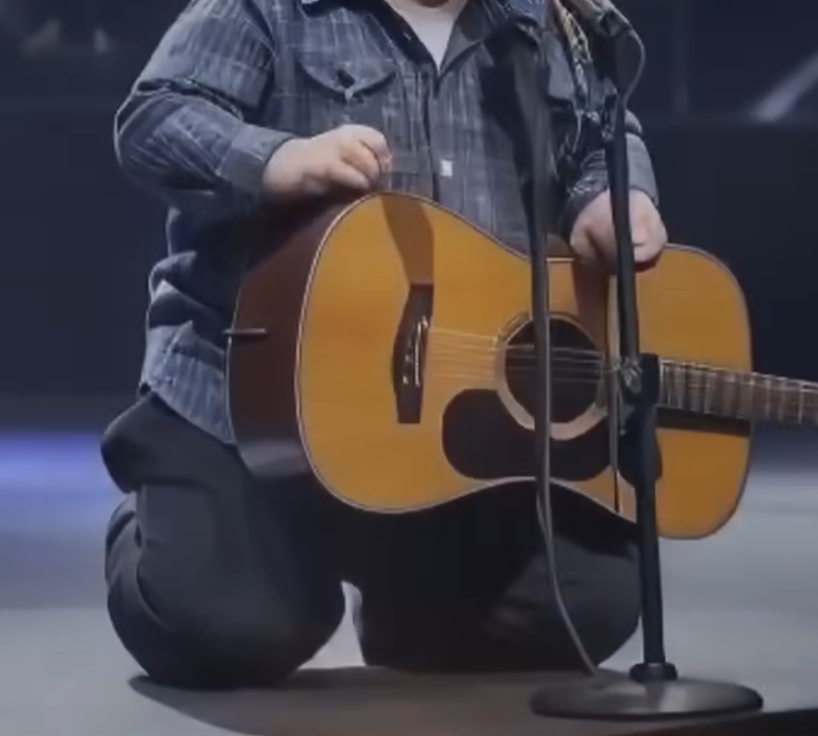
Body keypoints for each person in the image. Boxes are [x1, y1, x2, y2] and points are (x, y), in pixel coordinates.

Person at [102, 0, 669, 690]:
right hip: (252, 407)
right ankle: (163, 517)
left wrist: (610, 196)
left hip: (438, 427)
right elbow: (154, 117)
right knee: (229, 630)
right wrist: (278, 160)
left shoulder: (539, 23)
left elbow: (602, 139)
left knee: (589, 604)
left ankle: (405, 603)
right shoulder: (271, 8)